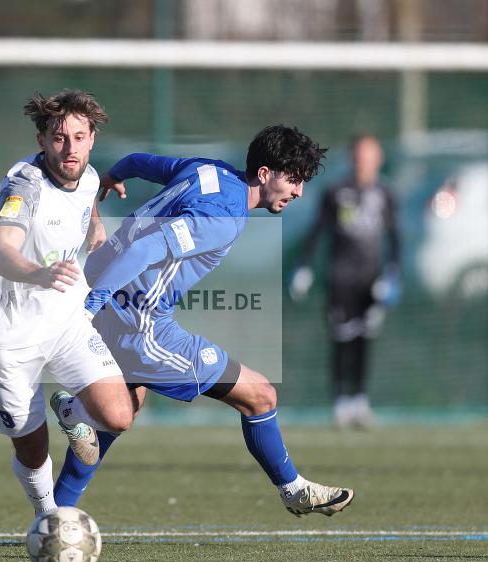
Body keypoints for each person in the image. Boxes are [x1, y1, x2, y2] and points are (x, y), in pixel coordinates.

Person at [48, 125, 355, 517]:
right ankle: (293, 489)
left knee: (121, 410)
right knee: (260, 395)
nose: (298, 192)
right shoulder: (224, 215)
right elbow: (146, 248)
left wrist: (112, 176)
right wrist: (89, 308)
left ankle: (54, 514)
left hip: (112, 298)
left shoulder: (206, 170)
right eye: (293, 180)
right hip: (140, 326)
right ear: (264, 174)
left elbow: (141, 162)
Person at [0, 90, 134, 516]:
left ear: (92, 138)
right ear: (42, 140)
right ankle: (48, 516)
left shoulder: (90, 175)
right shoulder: (24, 185)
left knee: (118, 415)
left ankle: (70, 409)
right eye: (59, 138)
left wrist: (94, 224)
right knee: (32, 449)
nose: (70, 147)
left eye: (79, 137)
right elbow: (0, 250)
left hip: (63, 316)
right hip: (4, 329)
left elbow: (85, 197)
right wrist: (37, 273)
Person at [289, 134, 400, 428]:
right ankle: (340, 401)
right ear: (352, 158)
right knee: (341, 338)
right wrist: (305, 267)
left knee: (365, 338)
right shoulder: (337, 192)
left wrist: (392, 272)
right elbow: (317, 230)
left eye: (370, 156)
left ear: (379, 159)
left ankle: (360, 400)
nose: (364, 162)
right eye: (360, 156)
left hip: (371, 279)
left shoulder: (385, 193)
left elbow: (394, 236)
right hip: (341, 276)